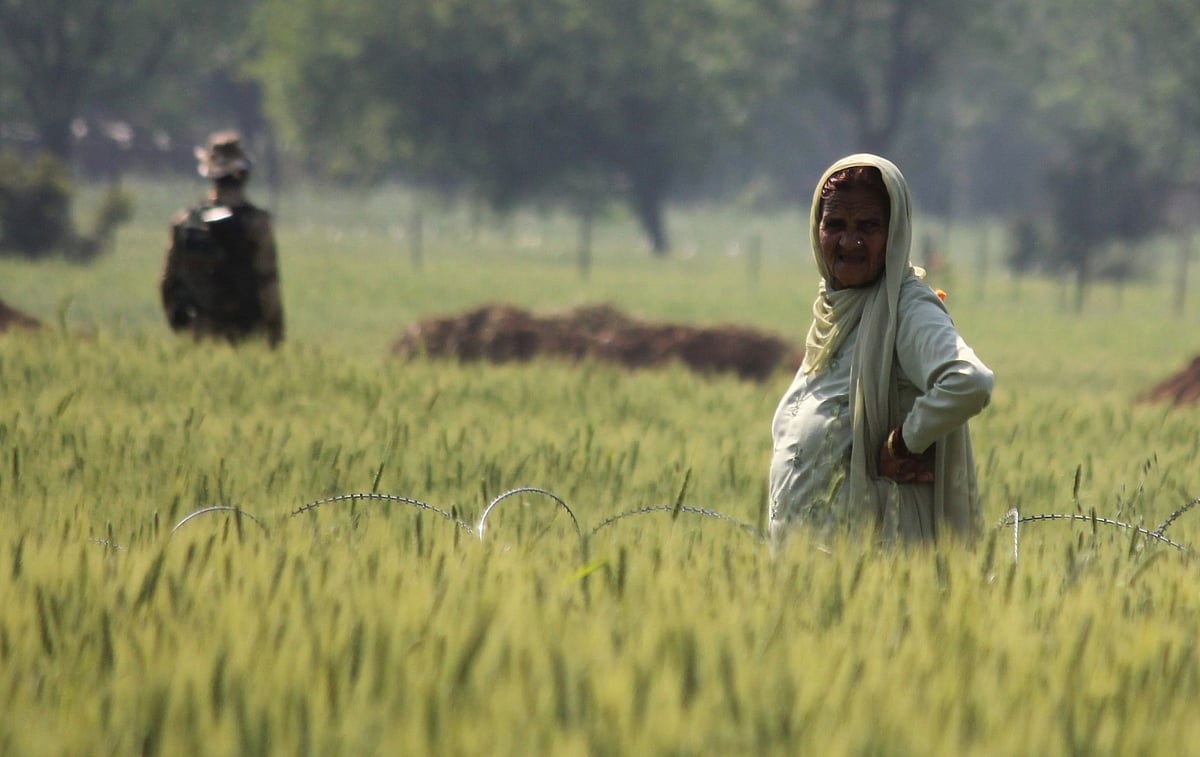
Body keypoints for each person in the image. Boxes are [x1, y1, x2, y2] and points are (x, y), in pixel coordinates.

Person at [768, 154, 993, 546]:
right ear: (816, 228)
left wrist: (903, 443)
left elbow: (968, 381)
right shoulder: (835, 314)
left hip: (879, 569)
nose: (849, 241)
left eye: (868, 226)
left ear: (896, 233)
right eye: (835, 224)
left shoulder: (905, 308)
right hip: (813, 578)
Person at [160, 130, 284, 347]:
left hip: (199, 335)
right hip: (246, 337)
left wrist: (182, 329)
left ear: (209, 173)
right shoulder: (257, 224)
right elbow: (268, 285)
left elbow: (168, 284)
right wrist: (275, 337)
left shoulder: (185, 222)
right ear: (243, 174)